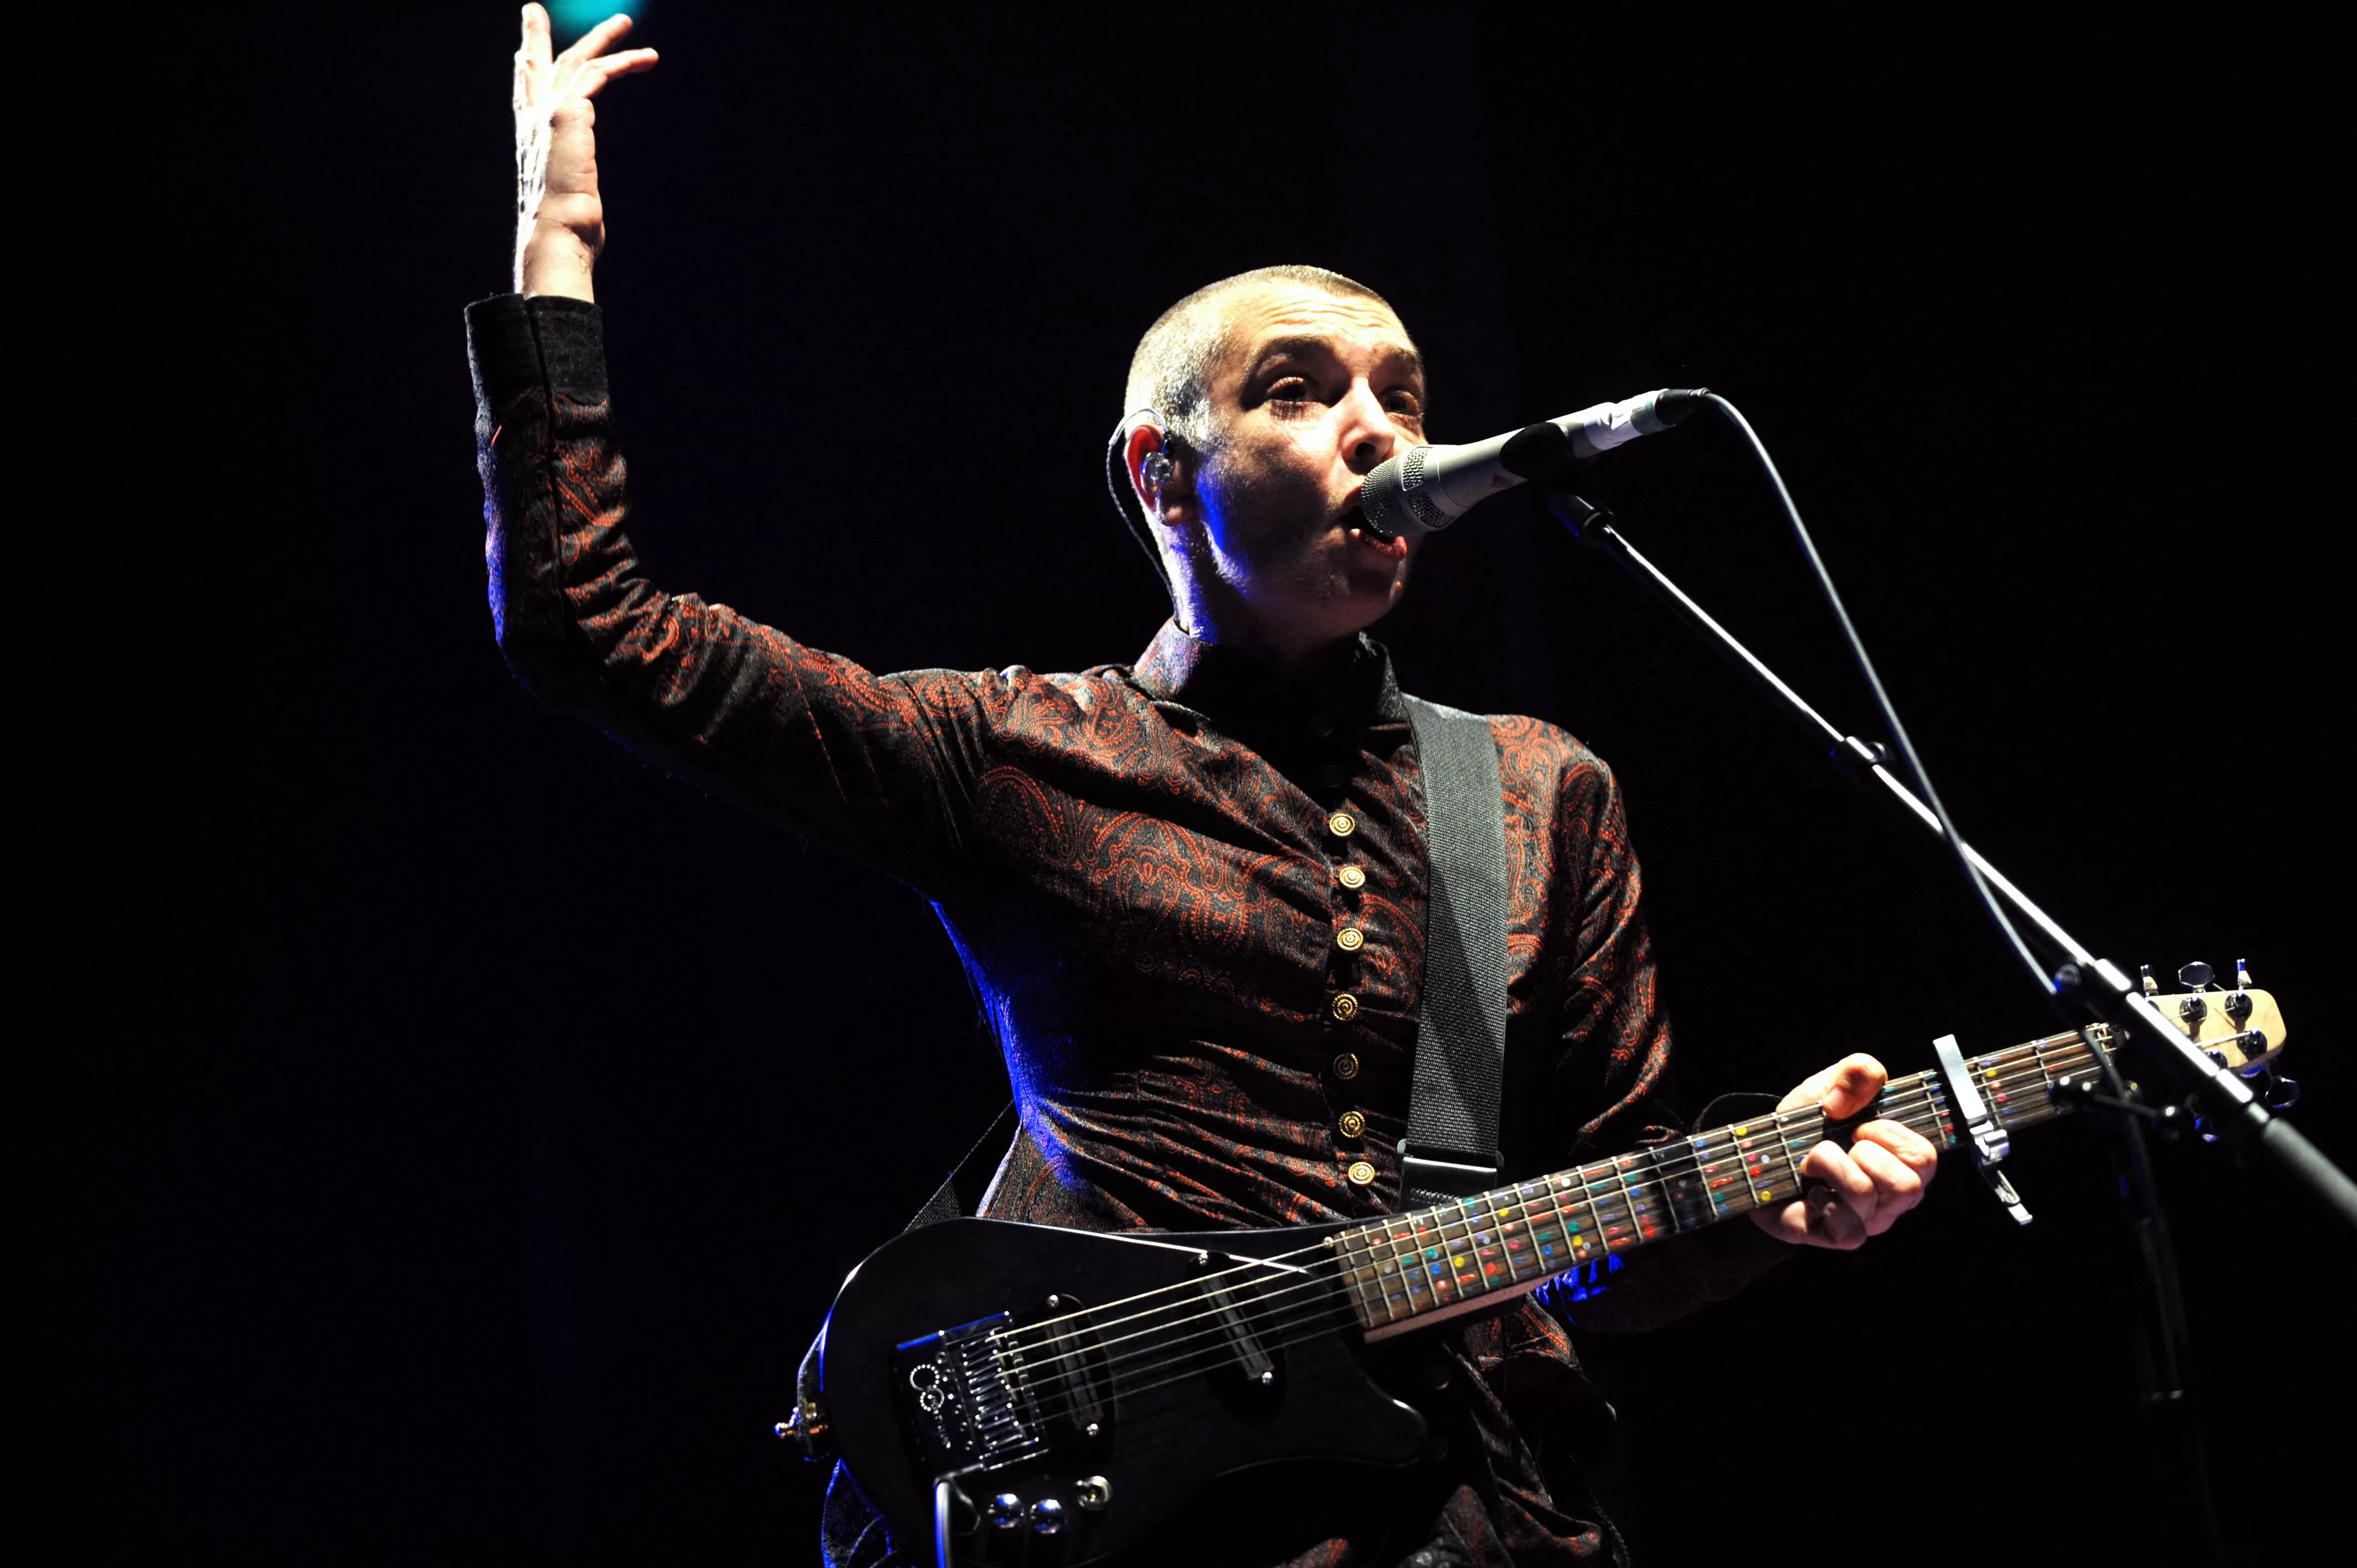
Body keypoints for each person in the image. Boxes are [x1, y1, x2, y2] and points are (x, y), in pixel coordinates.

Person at [472, 11, 1939, 1564]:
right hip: (1159, 1521)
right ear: (1162, 477)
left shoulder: (1534, 789)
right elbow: (595, 629)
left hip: (1472, 1511)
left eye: (1404, 393)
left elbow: (1597, 1233)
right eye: (1300, 391)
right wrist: (554, 242)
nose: (1378, 427)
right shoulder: (1025, 752)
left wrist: (1769, 1203)